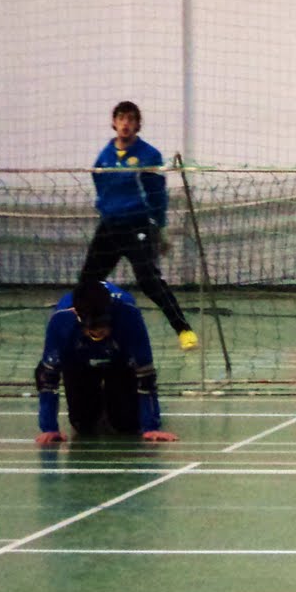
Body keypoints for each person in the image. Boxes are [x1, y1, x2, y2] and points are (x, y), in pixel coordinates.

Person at [79, 100, 197, 350]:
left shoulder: (149, 155)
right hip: (110, 227)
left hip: (137, 226)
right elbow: (100, 188)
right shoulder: (104, 156)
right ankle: (92, 328)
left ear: (138, 125)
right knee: (87, 283)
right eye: (121, 118)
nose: (126, 123)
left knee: (149, 281)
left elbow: (157, 193)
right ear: (114, 123)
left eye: (131, 119)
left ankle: (184, 330)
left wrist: (160, 229)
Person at [34, 280, 178, 445]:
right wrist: (49, 428)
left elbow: (145, 373)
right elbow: (47, 376)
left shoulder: (129, 316)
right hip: (78, 360)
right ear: (78, 316)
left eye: (103, 325)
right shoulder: (62, 320)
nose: (99, 332)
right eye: (92, 328)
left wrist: (151, 426)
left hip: (120, 359)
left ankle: (115, 400)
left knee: (127, 425)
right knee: (83, 424)